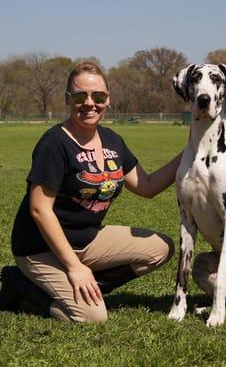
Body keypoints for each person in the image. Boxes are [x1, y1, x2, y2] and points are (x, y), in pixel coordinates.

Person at [0, 61, 182, 322]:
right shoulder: (55, 143)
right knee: (91, 316)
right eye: (80, 95)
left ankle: (87, 286)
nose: (89, 103)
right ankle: (19, 284)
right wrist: (74, 267)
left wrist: (191, 151)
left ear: (107, 99)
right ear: (67, 99)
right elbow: (39, 210)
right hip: (40, 248)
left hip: (88, 240)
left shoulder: (112, 141)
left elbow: (147, 186)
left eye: (98, 96)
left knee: (159, 248)